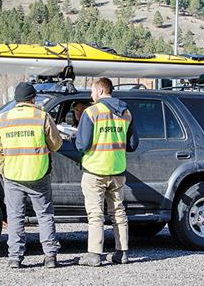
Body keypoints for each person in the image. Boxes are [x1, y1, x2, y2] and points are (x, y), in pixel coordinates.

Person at [0, 82, 63, 269]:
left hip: (13, 176)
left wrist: (4, 171)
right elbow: (56, 144)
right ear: (33, 98)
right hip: (38, 174)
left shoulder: (3, 118)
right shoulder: (42, 116)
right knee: (45, 215)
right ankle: (50, 256)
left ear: (16, 100)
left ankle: (15, 258)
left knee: (15, 217)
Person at [75, 77, 139, 266]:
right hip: (117, 170)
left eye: (92, 91)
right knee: (118, 211)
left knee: (96, 214)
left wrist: (75, 139)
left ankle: (94, 255)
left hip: (95, 170)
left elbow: (83, 144)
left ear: (101, 91)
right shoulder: (126, 112)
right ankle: (122, 253)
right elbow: (133, 144)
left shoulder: (92, 112)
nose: (91, 95)